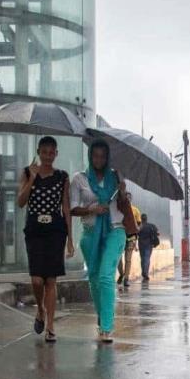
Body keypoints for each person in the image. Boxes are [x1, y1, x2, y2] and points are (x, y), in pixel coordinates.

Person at [16, 136, 74, 343]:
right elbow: (21, 202)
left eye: (52, 152)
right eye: (44, 152)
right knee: (37, 279)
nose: (48, 156)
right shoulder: (26, 172)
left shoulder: (62, 177)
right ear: (39, 152)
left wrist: (70, 239)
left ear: (56, 154)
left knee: (51, 279)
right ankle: (40, 309)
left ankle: (50, 325)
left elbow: (65, 207)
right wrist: (32, 179)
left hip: (55, 231)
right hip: (34, 230)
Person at [70, 140, 129, 343]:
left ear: (108, 157)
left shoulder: (116, 176)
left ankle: (106, 327)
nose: (99, 159)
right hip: (90, 233)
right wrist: (92, 209)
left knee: (105, 277)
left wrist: (122, 191)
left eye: (103, 156)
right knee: (94, 280)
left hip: (115, 231)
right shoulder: (79, 179)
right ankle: (102, 315)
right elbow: (72, 208)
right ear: (90, 156)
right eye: (95, 155)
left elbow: (124, 205)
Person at [116, 192, 143, 288]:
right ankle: (122, 274)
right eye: (126, 197)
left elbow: (139, 224)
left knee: (128, 259)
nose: (127, 199)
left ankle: (126, 278)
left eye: (129, 198)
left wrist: (136, 231)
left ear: (131, 199)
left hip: (131, 237)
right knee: (118, 257)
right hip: (120, 236)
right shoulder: (118, 210)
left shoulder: (135, 210)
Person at [137, 214, 159, 281]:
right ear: (146, 219)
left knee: (142, 259)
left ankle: (144, 272)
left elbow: (136, 233)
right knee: (147, 258)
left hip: (141, 244)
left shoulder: (140, 226)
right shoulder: (152, 226)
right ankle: (145, 273)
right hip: (149, 245)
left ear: (141, 219)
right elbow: (156, 232)